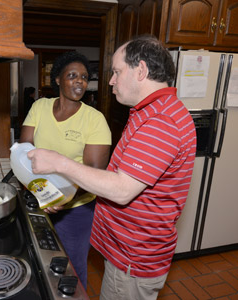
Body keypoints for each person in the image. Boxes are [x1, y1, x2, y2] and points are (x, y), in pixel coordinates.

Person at [27, 35, 197, 299]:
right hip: (127, 252)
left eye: (117, 72)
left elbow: (121, 190)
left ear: (140, 70)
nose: (111, 81)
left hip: (133, 258)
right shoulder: (151, 112)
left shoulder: (160, 121)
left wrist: (58, 162)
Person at [19, 51, 111, 289]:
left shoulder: (95, 120)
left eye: (84, 76)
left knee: (72, 268)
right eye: (72, 75)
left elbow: (93, 173)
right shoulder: (40, 107)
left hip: (76, 209)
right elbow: (24, 152)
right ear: (58, 79)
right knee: (40, 261)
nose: (80, 81)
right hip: (37, 197)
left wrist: (59, 199)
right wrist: (41, 195)